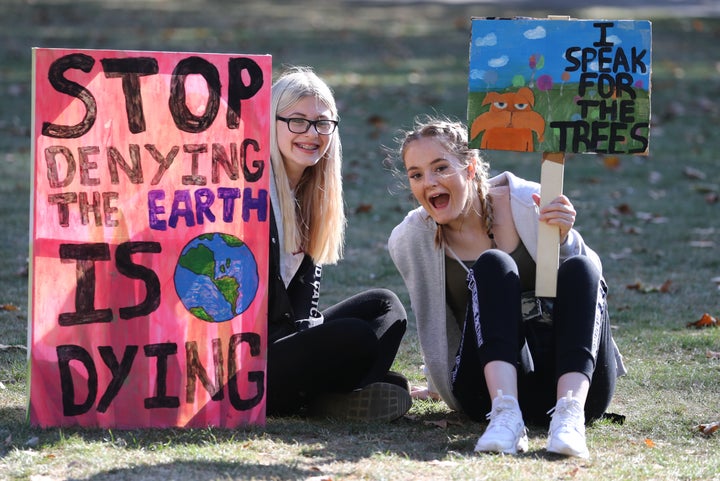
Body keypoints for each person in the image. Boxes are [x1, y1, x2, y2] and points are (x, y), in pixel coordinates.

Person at [388, 116, 626, 457]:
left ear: (470, 167)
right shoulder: (412, 238)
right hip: (484, 395)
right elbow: (434, 320)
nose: (429, 182)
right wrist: (436, 381)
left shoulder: (529, 202)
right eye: (416, 174)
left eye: (440, 168)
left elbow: (591, 293)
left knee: (582, 265)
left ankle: (569, 417)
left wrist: (565, 239)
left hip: (570, 381)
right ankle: (506, 413)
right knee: (494, 265)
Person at [265, 66, 411, 422]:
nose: (311, 133)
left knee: (385, 307)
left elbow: (303, 311)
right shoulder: (249, 193)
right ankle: (330, 393)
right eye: (297, 121)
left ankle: (328, 397)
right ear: (271, 122)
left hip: (286, 340)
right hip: (249, 361)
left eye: (322, 123)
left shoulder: (311, 194)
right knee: (355, 338)